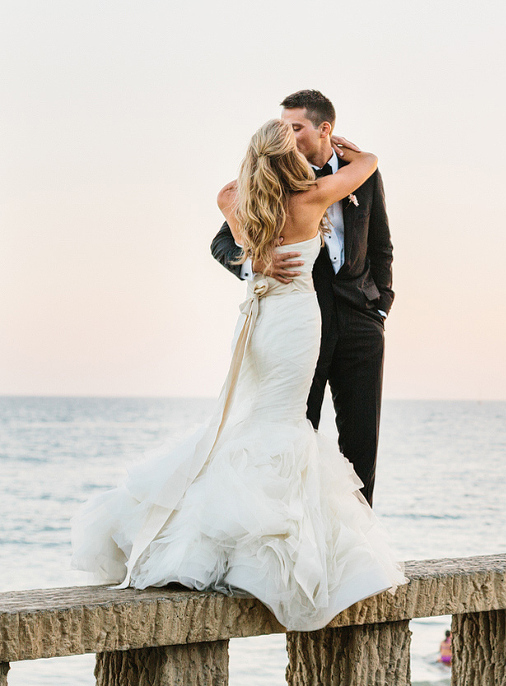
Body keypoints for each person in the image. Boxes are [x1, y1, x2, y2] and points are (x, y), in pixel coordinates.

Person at [71, 119, 406, 631]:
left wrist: (256, 234)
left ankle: (216, 535)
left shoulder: (242, 204)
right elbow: (370, 164)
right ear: (289, 157)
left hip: (258, 320)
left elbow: (228, 193)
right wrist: (351, 150)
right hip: (295, 320)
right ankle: (280, 544)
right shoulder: (311, 198)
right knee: (286, 419)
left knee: (253, 417)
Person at [211, 90, 392, 505]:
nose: (289, 136)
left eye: (296, 127)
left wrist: (380, 305)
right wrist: (254, 265)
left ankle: (356, 533)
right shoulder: (263, 186)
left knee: (362, 435)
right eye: (284, 129)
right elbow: (222, 244)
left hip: (361, 317)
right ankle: (291, 523)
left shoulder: (360, 176)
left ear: (323, 129)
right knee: (296, 424)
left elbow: (381, 244)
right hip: (301, 321)